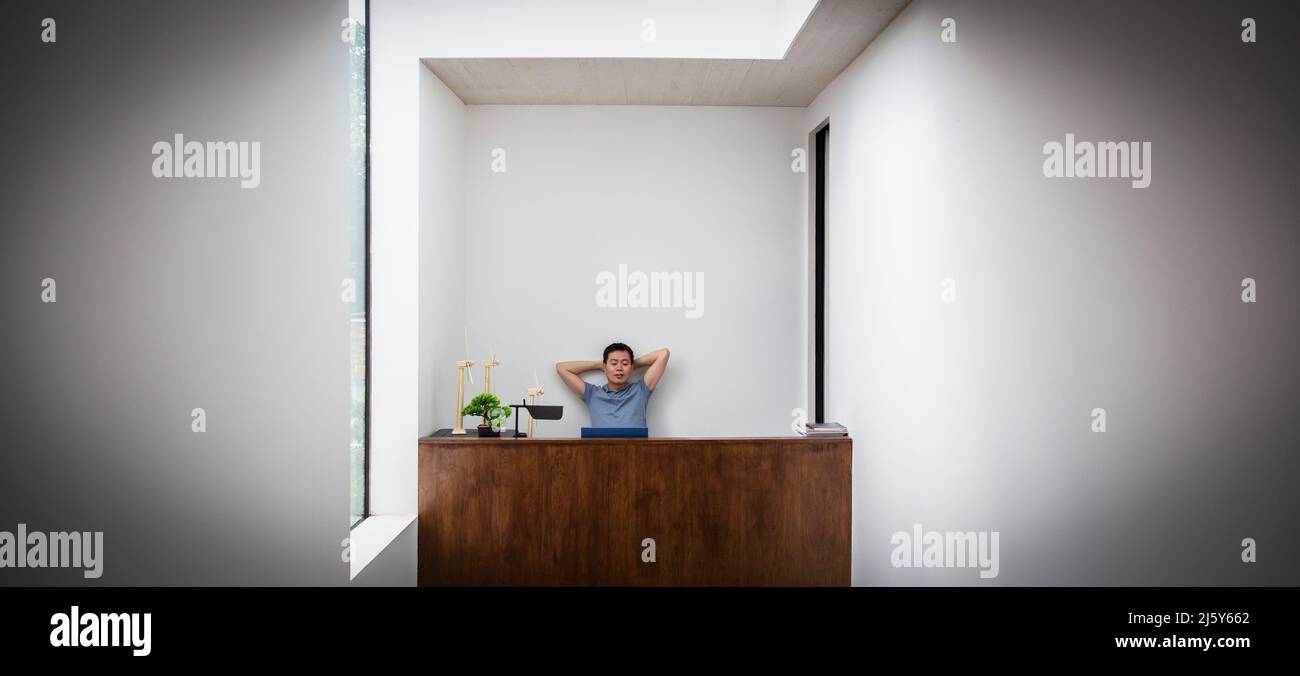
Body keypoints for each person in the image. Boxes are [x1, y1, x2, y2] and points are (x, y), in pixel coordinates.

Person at [556, 343, 670, 428]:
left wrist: (632, 365)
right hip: (600, 453)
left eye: (625, 364)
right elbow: (561, 368)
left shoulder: (640, 390)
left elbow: (664, 354)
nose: (619, 368)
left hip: (636, 453)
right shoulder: (592, 394)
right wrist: (598, 365)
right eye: (614, 363)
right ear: (605, 367)